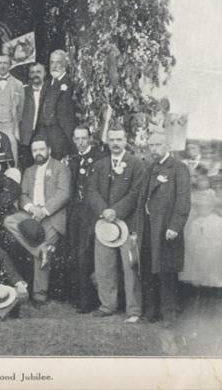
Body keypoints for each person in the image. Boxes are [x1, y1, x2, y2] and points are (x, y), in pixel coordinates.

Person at [87, 126, 146, 322]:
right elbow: (92, 191)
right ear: (107, 142)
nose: (115, 143)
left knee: (130, 268)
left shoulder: (137, 164)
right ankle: (107, 305)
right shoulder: (100, 165)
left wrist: (116, 211)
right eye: (112, 140)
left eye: (119, 139)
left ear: (126, 140)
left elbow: (136, 192)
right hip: (104, 224)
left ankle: (134, 310)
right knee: (104, 266)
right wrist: (103, 210)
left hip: (128, 224)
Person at [3, 136, 71, 304]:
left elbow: (64, 194)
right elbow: (23, 196)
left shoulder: (61, 168)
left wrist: (44, 210)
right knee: (9, 221)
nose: (38, 153)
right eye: (35, 150)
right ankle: (42, 250)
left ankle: (39, 295)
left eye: (41, 149)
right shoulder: (29, 171)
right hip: (31, 215)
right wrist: (31, 208)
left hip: (52, 217)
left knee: (40, 240)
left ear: (49, 150)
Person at [137, 133, 191, 327]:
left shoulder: (179, 168)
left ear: (168, 144)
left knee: (166, 273)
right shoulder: (150, 168)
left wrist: (175, 226)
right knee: (149, 270)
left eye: (158, 144)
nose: (154, 148)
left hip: (166, 229)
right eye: (151, 145)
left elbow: (183, 200)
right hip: (148, 229)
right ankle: (151, 313)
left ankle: (169, 316)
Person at [64, 125, 108, 313]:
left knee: (85, 253)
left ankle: (87, 301)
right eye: (77, 139)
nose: (81, 142)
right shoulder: (73, 160)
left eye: (84, 138)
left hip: (92, 212)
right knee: (75, 251)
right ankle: (78, 296)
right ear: (73, 140)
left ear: (90, 139)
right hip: (76, 211)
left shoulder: (99, 158)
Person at [36, 50, 77, 159]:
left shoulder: (71, 83)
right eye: (52, 62)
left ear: (65, 64)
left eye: (58, 62)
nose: (54, 66)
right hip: (44, 132)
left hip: (60, 133)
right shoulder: (46, 84)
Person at [18, 62, 46, 168]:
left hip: (44, 135)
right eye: (32, 72)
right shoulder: (23, 91)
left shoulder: (50, 90)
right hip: (26, 137)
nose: (35, 74)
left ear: (44, 74)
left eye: (38, 72)